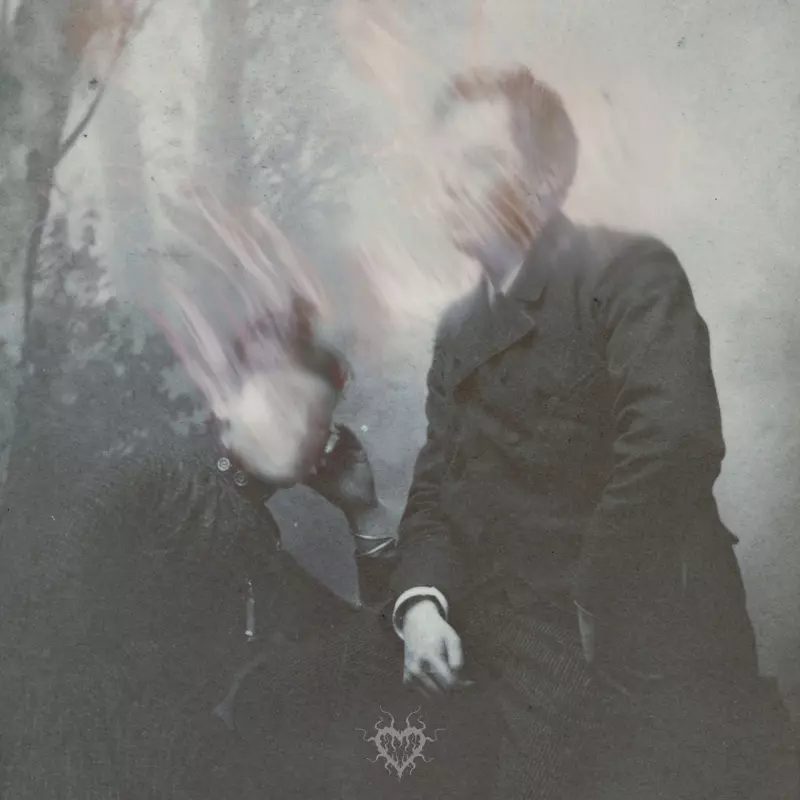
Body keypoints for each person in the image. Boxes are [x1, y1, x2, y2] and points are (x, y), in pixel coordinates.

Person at [388, 65, 795, 798]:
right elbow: (434, 490)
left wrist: (587, 600)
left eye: (478, 162)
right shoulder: (458, 331)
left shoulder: (629, 273)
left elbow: (674, 443)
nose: (448, 185)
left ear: (546, 180)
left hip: (643, 649)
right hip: (513, 652)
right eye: (441, 165)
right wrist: (421, 604)